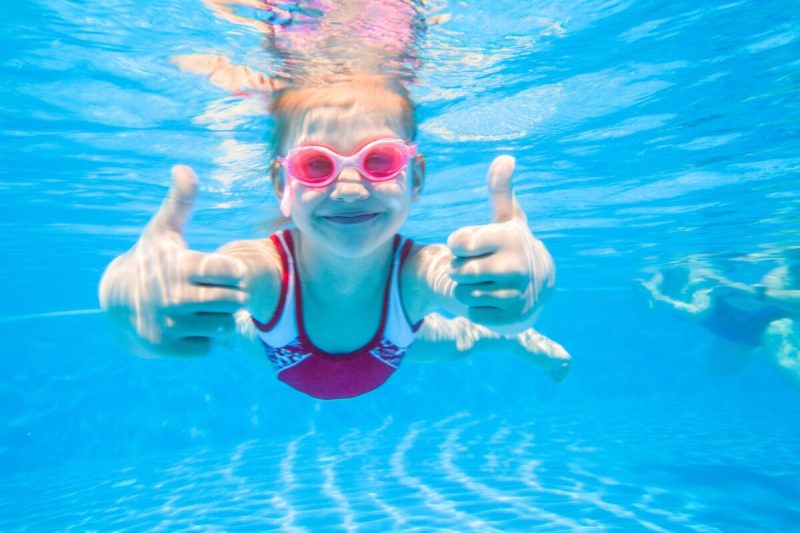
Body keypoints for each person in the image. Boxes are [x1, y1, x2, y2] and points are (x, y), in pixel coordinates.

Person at [99, 74, 569, 399]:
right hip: (282, 354)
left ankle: (519, 344)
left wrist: (512, 296)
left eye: (380, 160)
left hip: (391, 347)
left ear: (416, 179)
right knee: (227, 330)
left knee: (466, 342)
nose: (348, 188)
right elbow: (214, 278)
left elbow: (459, 282)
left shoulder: (417, 272)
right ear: (283, 185)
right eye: (316, 165)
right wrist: (133, 303)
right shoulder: (263, 270)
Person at [640, 251, 800, 380]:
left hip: (777, 320)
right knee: (717, 370)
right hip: (738, 328)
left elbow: (756, 297)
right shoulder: (681, 275)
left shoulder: (782, 275)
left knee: (780, 346)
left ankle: (770, 343)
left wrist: (760, 294)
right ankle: (761, 348)